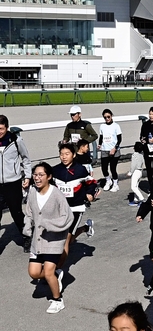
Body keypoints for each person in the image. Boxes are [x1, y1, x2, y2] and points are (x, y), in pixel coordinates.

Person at [24, 162, 73, 314]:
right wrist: (27, 226)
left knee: (47, 272)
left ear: (49, 177)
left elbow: (68, 217)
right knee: (33, 272)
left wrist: (48, 224)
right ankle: (57, 274)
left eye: (41, 175)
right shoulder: (32, 191)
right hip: (38, 241)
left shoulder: (56, 194)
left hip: (54, 240)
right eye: (35, 175)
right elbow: (29, 212)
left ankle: (57, 300)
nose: (37, 178)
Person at [52, 143, 97, 265]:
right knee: (68, 239)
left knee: (66, 239)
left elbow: (91, 182)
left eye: (67, 154)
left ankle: (57, 269)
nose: (64, 157)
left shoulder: (80, 170)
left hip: (76, 208)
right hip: (60, 209)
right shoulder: (55, 170)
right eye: (61, 154)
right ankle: (85, 228)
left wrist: (90, 193)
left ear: (74, 154)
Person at [0, 114, 31, 250]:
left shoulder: (16, 140)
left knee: (16, 213)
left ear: (7, 128)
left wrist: (28, 177)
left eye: (1, 129)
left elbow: (25, 158)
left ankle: (27, 237)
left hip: (13, 183)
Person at [98, 109, 122, 192]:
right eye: (105, 117)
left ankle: (115, 184)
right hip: (104, 149)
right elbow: (101, 137)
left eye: (108, 117)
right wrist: (99, 144)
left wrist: (115, 148)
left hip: (114, 150)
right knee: (104, 168)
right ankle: (108, 181)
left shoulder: (116, 126)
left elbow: (119, 139)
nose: (107, 119)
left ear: (111, 116)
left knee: (113, 168)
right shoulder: (102, 126)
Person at [128, 142, 145, 206]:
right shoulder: (141, 155)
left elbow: (133, 165)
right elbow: (143, 163)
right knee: (136, 186)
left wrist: (130, 172)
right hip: (140, 171)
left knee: (133, 187)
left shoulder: (134, 155)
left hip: (135, 171)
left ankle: (142, 199)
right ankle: (136, 199)